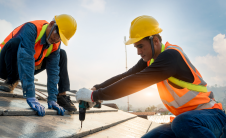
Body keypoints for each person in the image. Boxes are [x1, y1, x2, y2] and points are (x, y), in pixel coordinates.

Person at [76, 15, 226, 137]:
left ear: (155, 41)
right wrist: (96, 88)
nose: (138, 52)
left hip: (211, 116)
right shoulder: (150, 60)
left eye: (140, 46)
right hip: (187, 120)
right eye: (136, 47)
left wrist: (94, 96)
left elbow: (135, 81)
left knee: (182, 123)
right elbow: (126, 76)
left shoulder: (171, 56)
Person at [0, 14, 77, 116]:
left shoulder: (55, 43)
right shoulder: (31, 28)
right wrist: (30, 95)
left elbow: (54, 70)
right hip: (5, 67)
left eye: (60, 38)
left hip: (24, 70)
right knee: (15, 43)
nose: (57, 40)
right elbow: (26, 58)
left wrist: (52, 98)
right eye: (57, 35)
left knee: (61, 54)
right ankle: (11, 80)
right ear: (51, 24)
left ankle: (61, 96)